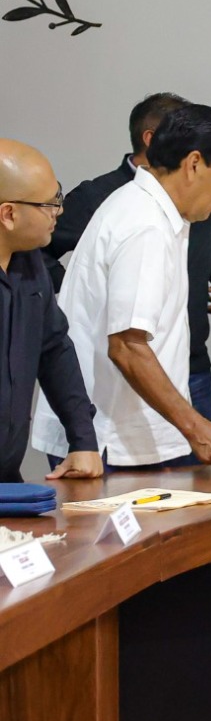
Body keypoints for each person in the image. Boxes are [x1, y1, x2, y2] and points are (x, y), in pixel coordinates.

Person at [32, 106, 211, 470]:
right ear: (194, 164)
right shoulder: (144, 226)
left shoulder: (150, 210)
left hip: (124, 431)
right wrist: (196, 426)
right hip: (110, 439)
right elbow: (127, 347)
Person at [0, 141, 101, 482]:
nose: (59, 210)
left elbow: (54, 347)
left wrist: (83, 439)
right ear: (9, 214)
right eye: (48, 203)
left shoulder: (29, 260)